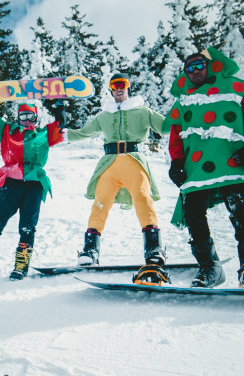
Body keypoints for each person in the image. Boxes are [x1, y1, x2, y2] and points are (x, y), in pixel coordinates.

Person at [165, 47, 244, 288]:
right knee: (193, 216)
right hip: (197, 169)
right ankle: (209, 268)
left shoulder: (234, 89)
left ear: (210, 66)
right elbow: (175, 135)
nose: (194, 71)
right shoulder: (183, 101)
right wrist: (176, 161)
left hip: (233, 163)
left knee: (241, 213)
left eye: (199, 65)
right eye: (189, 67)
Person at [66, 73, 170, 285]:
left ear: (128, 87)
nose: (119, 88)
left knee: (143, 198)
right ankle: (90, 251)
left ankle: (154, 250)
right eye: (115, 86)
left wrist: (184, 114)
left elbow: (167, 127)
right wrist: (59, 131)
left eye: (122, 84)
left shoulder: (143, 111)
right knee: (100, 204)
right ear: (111, 90)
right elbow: (82, 133)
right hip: (109, 164)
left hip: (134, 160)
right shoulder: (103, 116)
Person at [0, 102, 66, 280]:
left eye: (30, 116)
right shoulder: (8, 131)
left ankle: (21, 266)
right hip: (11, 182)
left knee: (27, 227)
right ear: (17, 117)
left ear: (36, 118)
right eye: (22, 116)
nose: (26, 120)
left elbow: (60, 126)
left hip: (34, 183)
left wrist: (59, 109)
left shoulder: (44, 133)